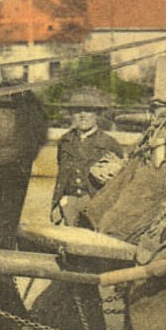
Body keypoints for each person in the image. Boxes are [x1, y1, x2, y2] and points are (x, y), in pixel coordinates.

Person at [51, 87, 126, 226]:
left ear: (97, 114)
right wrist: (60, 200)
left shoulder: (109, 143)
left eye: (88, 110)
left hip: (95, 202)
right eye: (77, 111)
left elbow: (119, 181)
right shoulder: (65, 141)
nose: (82, 115)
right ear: (71, 115)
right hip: (70, 202)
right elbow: (61, 173)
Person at [132, 97, 166, 169]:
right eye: (155, 108)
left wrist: (148, 145)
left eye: (158, 108)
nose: (156, 111)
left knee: (158, 167)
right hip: (150, 154)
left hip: (160, 153)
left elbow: (163, 140)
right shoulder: (153, 125)